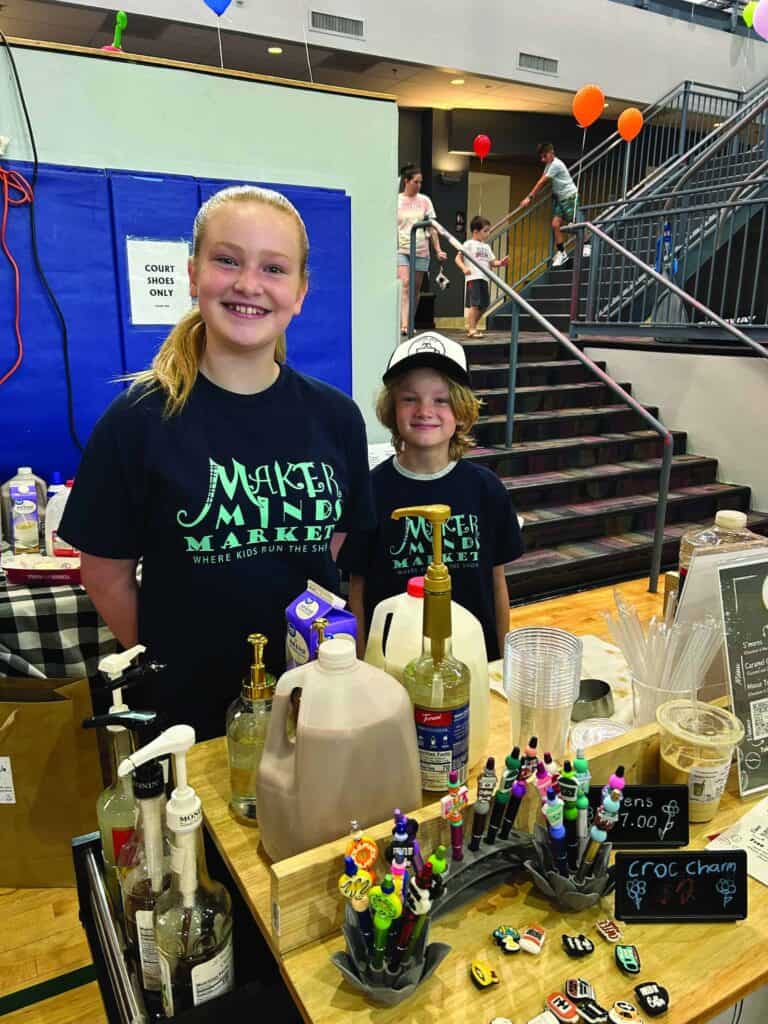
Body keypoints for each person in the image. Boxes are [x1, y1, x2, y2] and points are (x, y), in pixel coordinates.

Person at [60, 185, 374, 740]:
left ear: (300, 292)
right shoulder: (136, 421)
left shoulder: (336, 417)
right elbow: (103, 574)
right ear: (193, 274)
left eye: (274, 269)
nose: (249, 284)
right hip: (189, 713)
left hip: (311, 697)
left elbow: (333, 541)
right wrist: (172, 655)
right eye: (227, 260)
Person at [338, 332, 524, 661]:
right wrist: (363, 664)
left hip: (473, 659)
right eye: (410, 398)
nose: (425, 410)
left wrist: (502, 659)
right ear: (391, 408)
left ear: (462, 410)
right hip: (393, 663)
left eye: (441, 400)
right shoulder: (369, 491)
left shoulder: (487, 489)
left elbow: (496, 582)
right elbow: (357, 588)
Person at [397, 165, 447, 336]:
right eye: (415, 182)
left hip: (421, 249)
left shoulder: (425, 201)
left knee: (415, 288)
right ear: (406, 181)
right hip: (402, 249)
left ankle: (409, 321)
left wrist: (438, 250)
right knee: (404, 284)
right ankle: (403, 324)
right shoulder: (397, 200)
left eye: (420, 182)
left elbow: (432, 227)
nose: (418, 185)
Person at [521, 142, 578, 267]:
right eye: (541, 157)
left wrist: (529, 198)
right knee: (555, 224)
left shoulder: (556, 164)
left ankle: (588, 242)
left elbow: (542, 182)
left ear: (551, 153)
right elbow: (542, 180)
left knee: (574, 225)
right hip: (560, 198)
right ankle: (562, 253)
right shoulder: (549, 164)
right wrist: (535, 195)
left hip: (569, 197)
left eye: (544, 156)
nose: (542, 159)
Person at [455, 215, 509, 338]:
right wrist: (464, 268)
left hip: (484, 278)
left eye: (489, 230)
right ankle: (472, 329)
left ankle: (471, 325)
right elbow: (457, 258)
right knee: (475, 304)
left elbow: (492, 262)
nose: (488, 233)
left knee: (484, 305)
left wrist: (500, 263)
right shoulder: (469, 244)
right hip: (473, 278)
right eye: (485, 231)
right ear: (475, 231)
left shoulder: (486, 247)